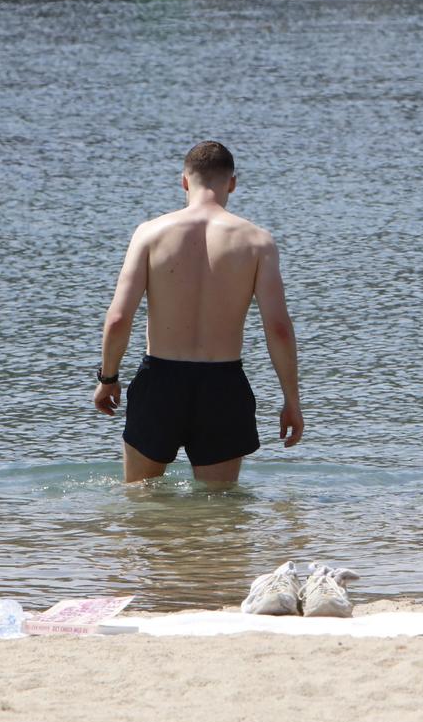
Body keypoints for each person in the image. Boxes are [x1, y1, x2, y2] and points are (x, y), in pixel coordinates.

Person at [93, 141, 302, 483]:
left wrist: (108, 379)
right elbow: (278, 327)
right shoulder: (257, 242)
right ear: (232, 182)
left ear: (184, 182)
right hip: (223, 386)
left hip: (160, 383)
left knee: (141, 501)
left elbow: (118, 319)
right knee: (221, 511)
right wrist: (291, 400)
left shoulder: (149, 234)